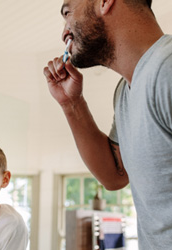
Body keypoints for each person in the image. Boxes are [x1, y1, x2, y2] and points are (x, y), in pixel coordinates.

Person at [43, 0, 172, 249]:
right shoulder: (125, 91)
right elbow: (115, 175)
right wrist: (72, 104)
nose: (64, 32)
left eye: (68, 13)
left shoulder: (167, 70)